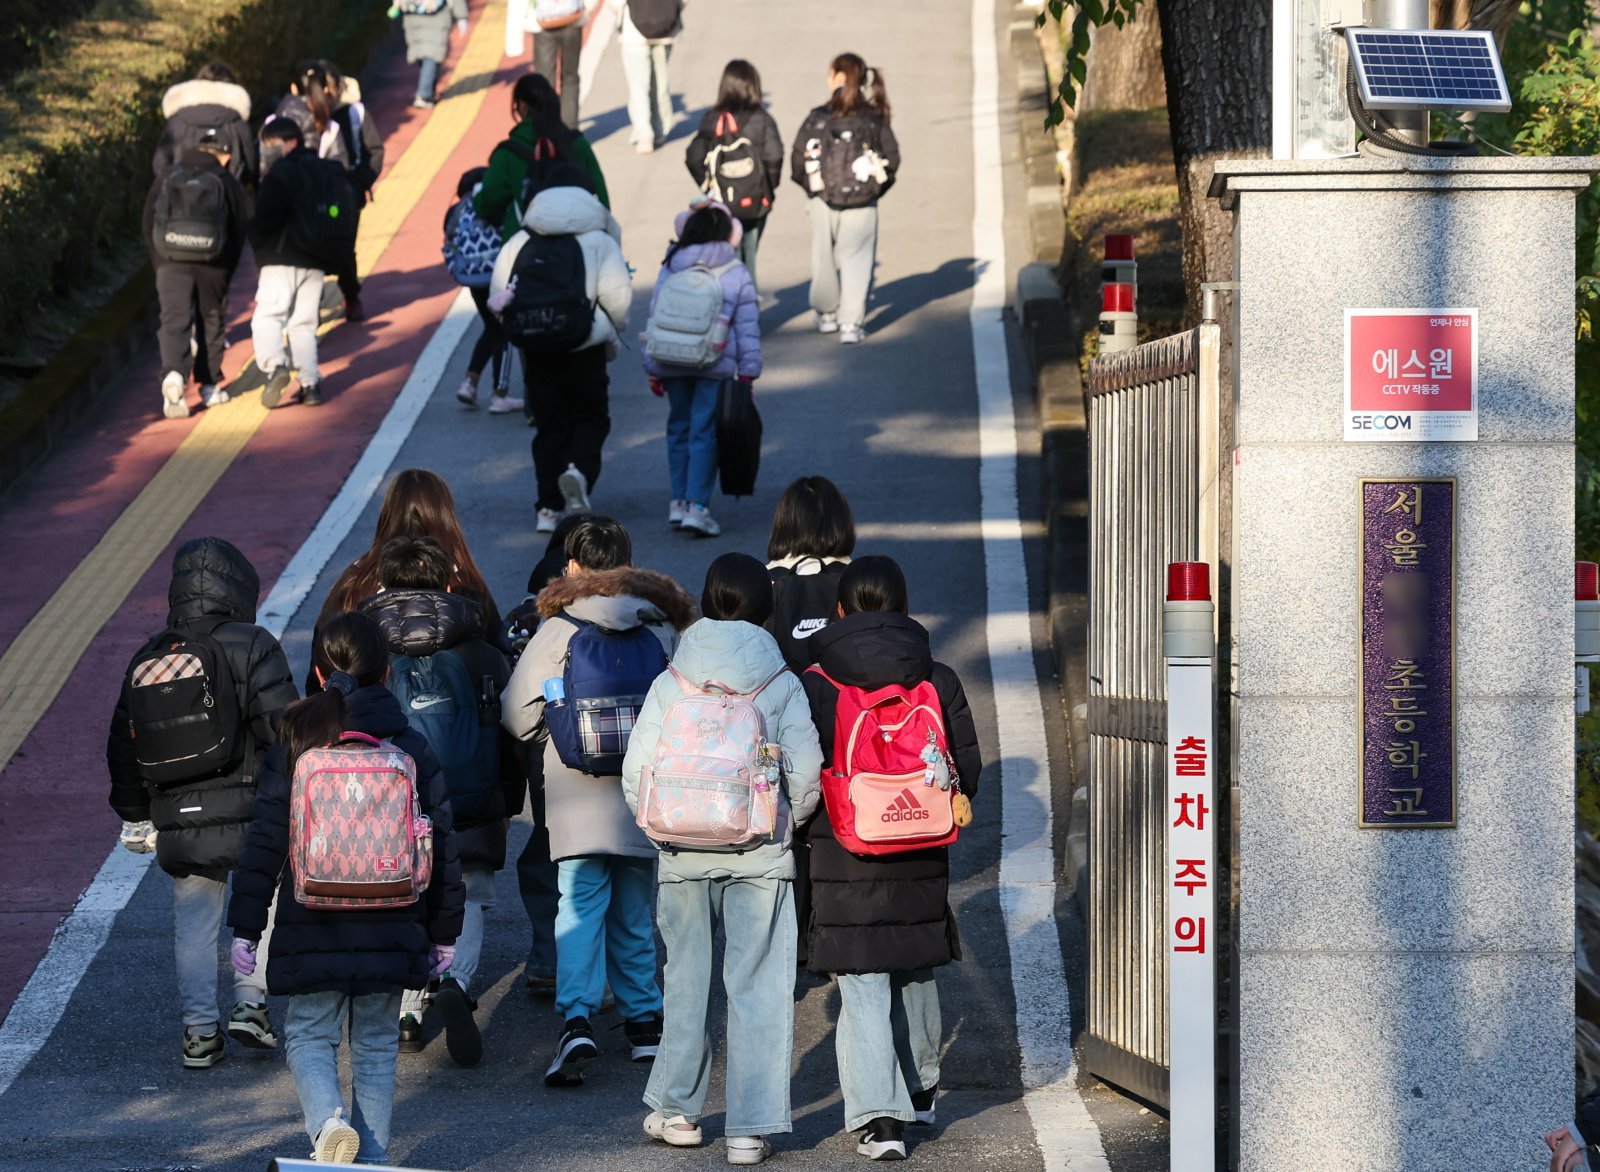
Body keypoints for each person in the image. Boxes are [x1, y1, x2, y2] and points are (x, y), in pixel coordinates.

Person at [228, 612, 465, 1165]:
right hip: (395, 915)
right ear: (386, 673)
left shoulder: (295, 741)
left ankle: (329, 1125)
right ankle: (373, 1161)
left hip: (313, 917)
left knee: (311, 1034)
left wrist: (245, 928)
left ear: (316, 671)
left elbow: (264, 841)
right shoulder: (409, 745)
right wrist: (444, 934)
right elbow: (442, 845)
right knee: (377, 1047)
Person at [621, 552, 822, 1166]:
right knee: (758, 984)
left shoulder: (673, 677)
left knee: (685, 980)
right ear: (767, 607)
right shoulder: (780, 681)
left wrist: (663, 829)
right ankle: (749, 1128)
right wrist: (784, 824)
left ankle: (678, 1112)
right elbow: (806, 775)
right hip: (759, 850)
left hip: (682, 848)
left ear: (705, 604)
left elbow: (637, 771)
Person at [501, 517, 694, 1087]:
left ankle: (578, 1019)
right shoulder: (658, 624)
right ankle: (644, 1023)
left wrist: (555, 733)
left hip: (575, 797)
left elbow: (516, 715)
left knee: (579, 908)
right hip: (642, 794)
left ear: (576, 567)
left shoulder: (558, 629)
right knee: (635, 910)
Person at [800, 556, 981, 1161]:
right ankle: (922, 1090)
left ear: (841, 610)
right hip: (921, 845)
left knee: (862, 983)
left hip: (844, 852)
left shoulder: (818, 680)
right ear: (904, 605)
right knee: (915, 965)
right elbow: (967, 770)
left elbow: (801, 774)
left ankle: (881, 1121)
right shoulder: (937, 676)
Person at [107, 536, 299, 1068]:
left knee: (193, 924)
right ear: (238, 586)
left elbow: (123, 743)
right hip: (253, 809)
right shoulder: (253, 642)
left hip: (179, 815)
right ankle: (250, 1006)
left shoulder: (154, 653)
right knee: (261, 904)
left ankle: (199, 1033)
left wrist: (134, 813)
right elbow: (283, 727)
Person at [360, 536, 520, 1067]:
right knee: (470, 890)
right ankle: (454, 980)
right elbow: (508, 730)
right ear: (447, 581)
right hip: (471, 796)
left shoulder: (371, 651)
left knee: (407, 894)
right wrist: (508, 797)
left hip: (394, 796)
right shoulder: (480, 650)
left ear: (384, 583)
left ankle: (406, 1012)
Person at [490, 165, 632, 535]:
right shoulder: (598, 241)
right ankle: (578, 472)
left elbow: (498, 293)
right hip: (584, 345)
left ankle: (547, 508)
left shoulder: (520, 242)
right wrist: (613, 330)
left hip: (537, 348)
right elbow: (617, 295)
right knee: (591, 417)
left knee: (549, 425)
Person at [763, 475, 856, 967]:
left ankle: (792, 940)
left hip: (780, 737)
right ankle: (835, 932)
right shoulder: (856, 581)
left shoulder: (767, 585)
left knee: (788, 835)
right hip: (848, 733)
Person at [503, 513, 590, 997]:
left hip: (540, 752)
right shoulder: (621, 611)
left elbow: (511, 700)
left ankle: (546, 957)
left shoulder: (525, 616)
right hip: (608, 747)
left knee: (544, 851)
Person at [642, 199, 760, 540]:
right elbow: (747, 325)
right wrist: (748, 372)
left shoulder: (672, 264)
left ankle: (677, 501)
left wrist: (653, 367)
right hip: (714, 361)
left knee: (678, 427)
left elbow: (656, 315)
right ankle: (698, 506)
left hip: (671, 359)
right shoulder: (734, 270)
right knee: (704, 431)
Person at [315, 468, 503, 679]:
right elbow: (498, 656)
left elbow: (324, 653)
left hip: (367, 707)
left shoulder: (355, 582)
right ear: (445, 517)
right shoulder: (465, 584)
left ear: (388, 515)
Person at [791, 53, 899, 346]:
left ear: (837, 79)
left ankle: (826, 314)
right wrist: (873, 193)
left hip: (822, 201)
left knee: (823, 257)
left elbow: (798, 160)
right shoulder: (873, 118)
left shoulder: (818, 116)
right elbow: (891, 160)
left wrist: (814, 191)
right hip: (863, 204)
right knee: (858, 261)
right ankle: (850, 323)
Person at [143, 140, 247, 418]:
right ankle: (209, 386)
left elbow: (148, 220)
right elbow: (239, 224)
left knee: (174, 319)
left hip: (170, 258)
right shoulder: (224, 179)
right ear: (222, 156)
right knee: (210, 320)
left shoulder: (168, 175)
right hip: (213, 262)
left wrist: (160, 261)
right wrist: (227, 266)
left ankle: (174, 375)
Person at [250, 117, 347, 409]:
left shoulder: (281, 174)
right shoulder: (323, 170)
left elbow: (264, 218)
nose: (268, 151)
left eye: (271, 145)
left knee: (267, 316)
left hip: (281, 257)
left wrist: (260, 247)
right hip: (317, 259)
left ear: (289, 142)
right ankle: (311, 383)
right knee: (304, 324)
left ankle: (275, 366)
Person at [277, 61, 378, 321]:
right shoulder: (341, 118)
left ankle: (309, 307)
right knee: (343, 247)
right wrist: (359, 184)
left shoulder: (283, 118)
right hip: (340, 198)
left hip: (299, 199)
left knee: (304, 248)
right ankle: (351, 298)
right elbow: (357, 158)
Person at [475, 73, 610, 243]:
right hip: (582, 245)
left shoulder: (508, 154)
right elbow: (602, 195)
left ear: (522, 107)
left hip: (526, 249)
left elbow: (485, 205)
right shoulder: (577, 144)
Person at [685, 60, 783, 289]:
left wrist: (707, 184)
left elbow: (693, 156)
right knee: (750, 249)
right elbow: (775, 155)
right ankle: (748, 298)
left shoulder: (712, 119)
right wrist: (767, 187)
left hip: (722, 200)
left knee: (728, 254)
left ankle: (731, 300)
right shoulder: (763, 119)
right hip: (755, 201)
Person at [444, 168, 522, 413]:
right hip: (495, 273)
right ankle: (500, 394)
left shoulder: (456, 210)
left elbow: (449, 237)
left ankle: (470, 382)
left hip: (471, 276)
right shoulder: (491, 203)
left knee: (491, 327)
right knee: (504, 329)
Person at [154, 61, 259, 188]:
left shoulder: (178, 121)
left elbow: (160, 163)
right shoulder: (237, 123)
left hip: (181, 198)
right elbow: (249, 167)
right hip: (226, 200)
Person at [505, 0, 590, 129]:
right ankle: (570, 131)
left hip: (542, 24)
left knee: (543, 83)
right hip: (572, 19)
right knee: (570, 78)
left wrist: (513, 41)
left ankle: (548, 130)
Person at [618, 0, 683, 154]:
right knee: (660, 81)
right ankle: (660, 129)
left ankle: (644, 134)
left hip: (633, 31)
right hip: (666, 28)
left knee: (638, 85)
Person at [396, 0, 469, 108]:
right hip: (437, 17)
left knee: (423, 55)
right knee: (432, 56)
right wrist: (461, 17)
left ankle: (429, 93)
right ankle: (425, 94)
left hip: (412, 16)